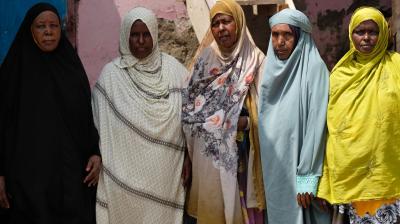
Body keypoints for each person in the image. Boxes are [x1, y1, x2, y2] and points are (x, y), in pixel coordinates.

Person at [0, 3, 101, 223]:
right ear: (30, 31)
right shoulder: (13, 73)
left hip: (71, 178)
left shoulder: (71, 69)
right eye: (41, 26)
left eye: (54, 25)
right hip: (26, 181)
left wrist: (95, 152)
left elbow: (85, 117)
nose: (48, 31)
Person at [92, 7, 188, 224]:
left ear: (154, 35)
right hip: (123, 180)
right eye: (134, 35)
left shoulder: (174, 71)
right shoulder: (111, 76)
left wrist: (189, 156)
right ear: (126, 37)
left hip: (165, 177)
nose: (141, 41)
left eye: (146, 34)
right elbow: (96, 126)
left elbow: (191, 119)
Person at [182, 0, 265, 223]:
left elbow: (268, 111)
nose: (220, 29)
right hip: (207, 161)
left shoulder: (256, 62)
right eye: (215, 23)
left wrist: (244, 124)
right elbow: (188, 109)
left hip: (244, 158)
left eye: (226, 21)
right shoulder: (204, 61)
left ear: (238, 23)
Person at [317, 7, 400, 223]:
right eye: (359, 31)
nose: (366, 38)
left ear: (383, 34)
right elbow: (331, 127)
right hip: (348, 174)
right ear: (350, 35)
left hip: (387, 176)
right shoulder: (340, 74)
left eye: (372, 32)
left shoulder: (396, 66)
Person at [258, 8, 331, 224]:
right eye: (275, 34)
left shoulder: (313, 69)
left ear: (300, 37)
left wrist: (307, 176)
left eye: (287, 35)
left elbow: (317, 125)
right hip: (276, 168)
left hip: (302, 170)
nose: (280, 42)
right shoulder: (269, 70)